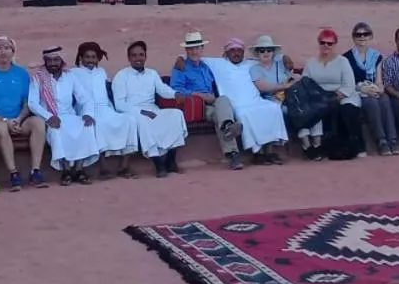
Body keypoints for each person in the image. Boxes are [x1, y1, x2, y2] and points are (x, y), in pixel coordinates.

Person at [197, 39, 290, 166]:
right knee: (245, 114)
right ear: (226, 52)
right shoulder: (217, 63)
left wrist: (285, 58)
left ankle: (269, 152)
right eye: (232, 50)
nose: (236, 53)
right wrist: (180, 59)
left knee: (273, 108)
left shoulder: (250, 63)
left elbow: (273, 57)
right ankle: (257, 153)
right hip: (236, 103)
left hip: (255, 100)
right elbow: (193, 57)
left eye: (239, 50)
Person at [0, 36, 48, 191]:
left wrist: (19, 119)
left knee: (39, 123)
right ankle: (13, 173)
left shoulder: (21, 74)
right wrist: (4, 120)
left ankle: (35, 171)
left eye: (7, 48)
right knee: (2, 128)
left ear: (13, 52)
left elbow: (27, 104)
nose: (3, 52)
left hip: (19, 119)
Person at [111, 40, 188, 177]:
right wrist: (141, 112)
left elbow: (162, 89)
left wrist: (174, 94)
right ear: (129, 58)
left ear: (145, 56)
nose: (138, 58)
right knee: (144, 122)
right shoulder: (121, 76)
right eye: (134, 55)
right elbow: (120, 104)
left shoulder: (152, 74)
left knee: (176, 115)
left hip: (153, 109)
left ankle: (171, 160)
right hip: (133, 112)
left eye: (141, 55)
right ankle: (158, 164)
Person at [28, 46, 99, 185]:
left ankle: (79, 170)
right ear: (45, 61)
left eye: (56, 60)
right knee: (57, 130)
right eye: (49, 60)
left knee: (86, 127)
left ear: (61, 60)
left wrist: (87, 114)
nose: (53, 63)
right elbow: (32, 103)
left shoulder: (70, 76)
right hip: (49, 117)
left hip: (70, 115)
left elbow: (85, 98)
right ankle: (66, 171)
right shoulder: (38, 78)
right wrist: (49, 117)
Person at [72, 40, 139, 178]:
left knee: (130, 120)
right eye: (87, 57)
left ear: (98, 58)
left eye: (93, 57)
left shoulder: (101, 72)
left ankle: (124, 166)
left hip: (106, 108)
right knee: (98, 124)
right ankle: (103, 168)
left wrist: (112, 110)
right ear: (81, 58)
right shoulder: (73, 73)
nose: (90, 60)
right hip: (86, 110)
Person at [169, 30, 240, 159]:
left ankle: (228, 128)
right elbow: (175, 89)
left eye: (197, 48)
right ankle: (232, 152)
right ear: (186, 50)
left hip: (213, 103)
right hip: (198, 106)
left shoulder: (205, 67)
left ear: (202, 49)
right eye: (191, 49)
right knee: (220, 115)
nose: (194, 51)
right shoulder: (181, 67)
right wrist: (199, 95)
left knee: (223, 102)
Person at [301, 27, 364, 160]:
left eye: (329, 43)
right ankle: (328, 148)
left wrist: (335, 97)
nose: (326, 46)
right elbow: (305, 83)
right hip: (319, 97)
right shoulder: (310, 63)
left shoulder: (343, 61)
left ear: (334, 45)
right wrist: (320, 98)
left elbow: (349, 84)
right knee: (321, 110)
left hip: (343, 94)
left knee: (346, 109)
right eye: (323, 42)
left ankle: (356, 146)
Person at [343, 21, 399, 156]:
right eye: (358, 34)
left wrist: (378, 89)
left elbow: (379, 80)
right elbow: (347, 82)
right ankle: (381, 141)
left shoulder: (377, 56)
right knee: (371, 103)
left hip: (373, 89)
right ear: (353, 37)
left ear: (371, 36)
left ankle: (393, 140)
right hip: (357, 91)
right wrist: (362, 89)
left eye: (365, 34)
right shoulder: (346, 58)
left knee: (385, 100)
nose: (362, 37)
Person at [249, 34, 299, 115]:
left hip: (291, 96)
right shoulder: (254, 69)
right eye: (262, 50)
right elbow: (263, 87)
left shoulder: (280, 63)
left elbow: (292, 75)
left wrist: (295, 79)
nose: (266, 52)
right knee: (288, 110)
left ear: (273, 52)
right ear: (258, 53)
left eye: (269, 50)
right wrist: (286, 86)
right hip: (273, 101)